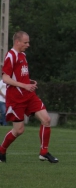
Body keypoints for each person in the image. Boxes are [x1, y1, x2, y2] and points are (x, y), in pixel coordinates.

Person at [0, 31, 58, 163]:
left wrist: (29, 81)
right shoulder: (11, 56)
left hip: (29, 95)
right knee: (19, 130)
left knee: (46, 119)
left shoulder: (23, 55)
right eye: (25, 42)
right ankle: (1, 150)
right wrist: (23, 85)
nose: (28, 45)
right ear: (17, 42)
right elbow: (5, 78)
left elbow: (19, 75)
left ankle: (44, 152)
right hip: (16, 99)